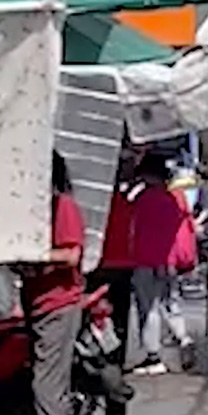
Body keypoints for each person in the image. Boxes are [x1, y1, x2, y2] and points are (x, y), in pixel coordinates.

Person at [19, 150, 85, 415]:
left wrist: (35, 256)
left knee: (45, 388)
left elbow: (71, 254)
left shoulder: (63, 207)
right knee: (50, 389)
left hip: (58, 306)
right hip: (39, 303)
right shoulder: (38, 212)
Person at [130, 151, 197, 375]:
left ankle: (153, 356)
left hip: (145, 259)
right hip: (168, 261)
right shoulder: (172, 200)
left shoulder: (143, 199)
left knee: (148, 308)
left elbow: (134, 229)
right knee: (170, 303)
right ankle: (184, 338)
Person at [87, 142, 142, 366]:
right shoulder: (127, 204)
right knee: (120, 314)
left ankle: (100, 354)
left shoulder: (94, 207)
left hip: (100, 264)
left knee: (95, 311)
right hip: (122, 265)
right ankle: (117, 359)